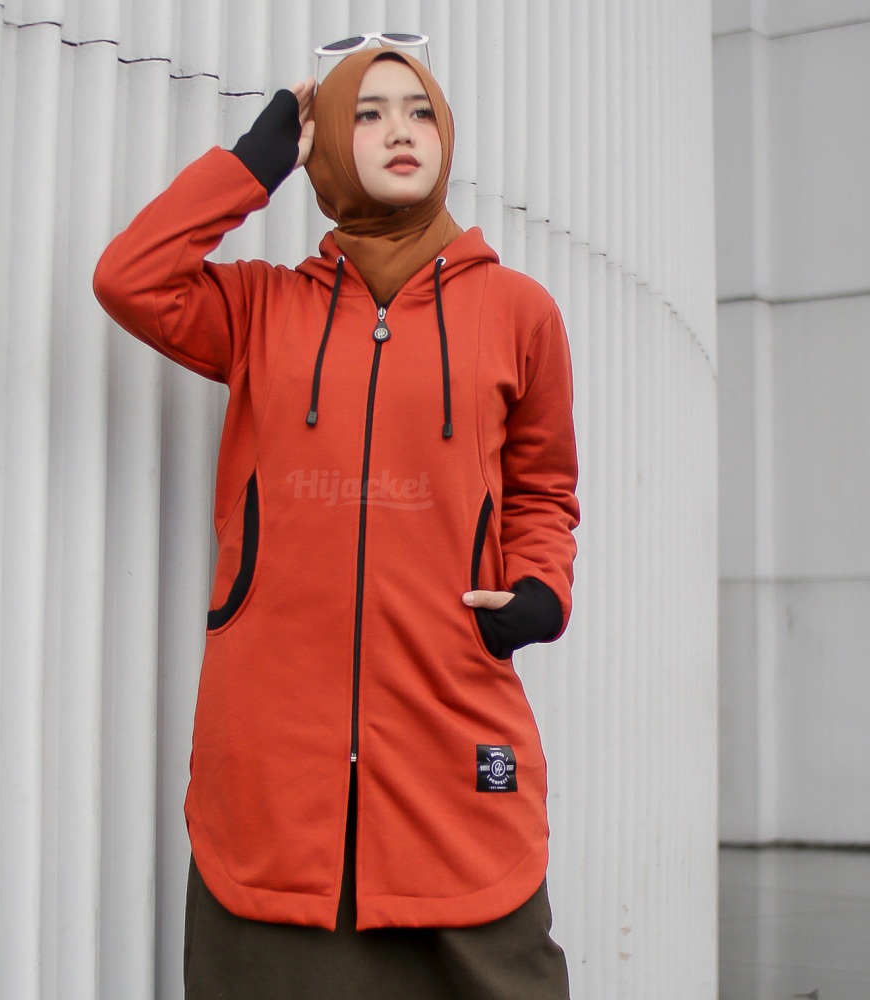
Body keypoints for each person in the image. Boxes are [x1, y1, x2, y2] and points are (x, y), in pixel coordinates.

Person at [93, 39, 579, 1000]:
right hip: (275, 730)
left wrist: (539, 589)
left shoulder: (519, 312)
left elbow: (544, 488)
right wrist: (255, 159)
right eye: (368, 112)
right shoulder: (260, 309)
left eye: (420, 110)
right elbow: (131, 278)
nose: (402, 129)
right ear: (323, 147)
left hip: (447, 705)